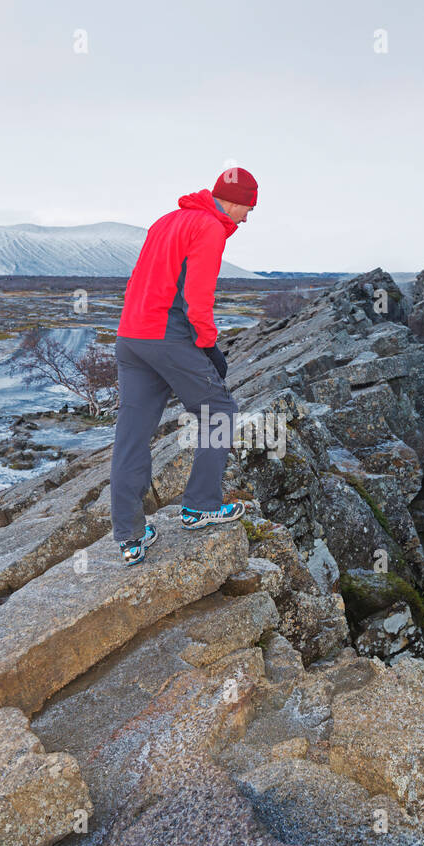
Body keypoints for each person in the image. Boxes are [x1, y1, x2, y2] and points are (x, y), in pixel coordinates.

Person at [110, 167, 259, 565]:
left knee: (132, 438)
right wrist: (209, 347)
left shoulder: (167, 220)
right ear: (234, 200)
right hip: (167, 337)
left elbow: (140, 279)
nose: (247, 217)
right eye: (248, 208)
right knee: (220, 412)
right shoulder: (209, 227)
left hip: (131, 338)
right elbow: (197, 298)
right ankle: (200, 507)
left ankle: (129, 536)